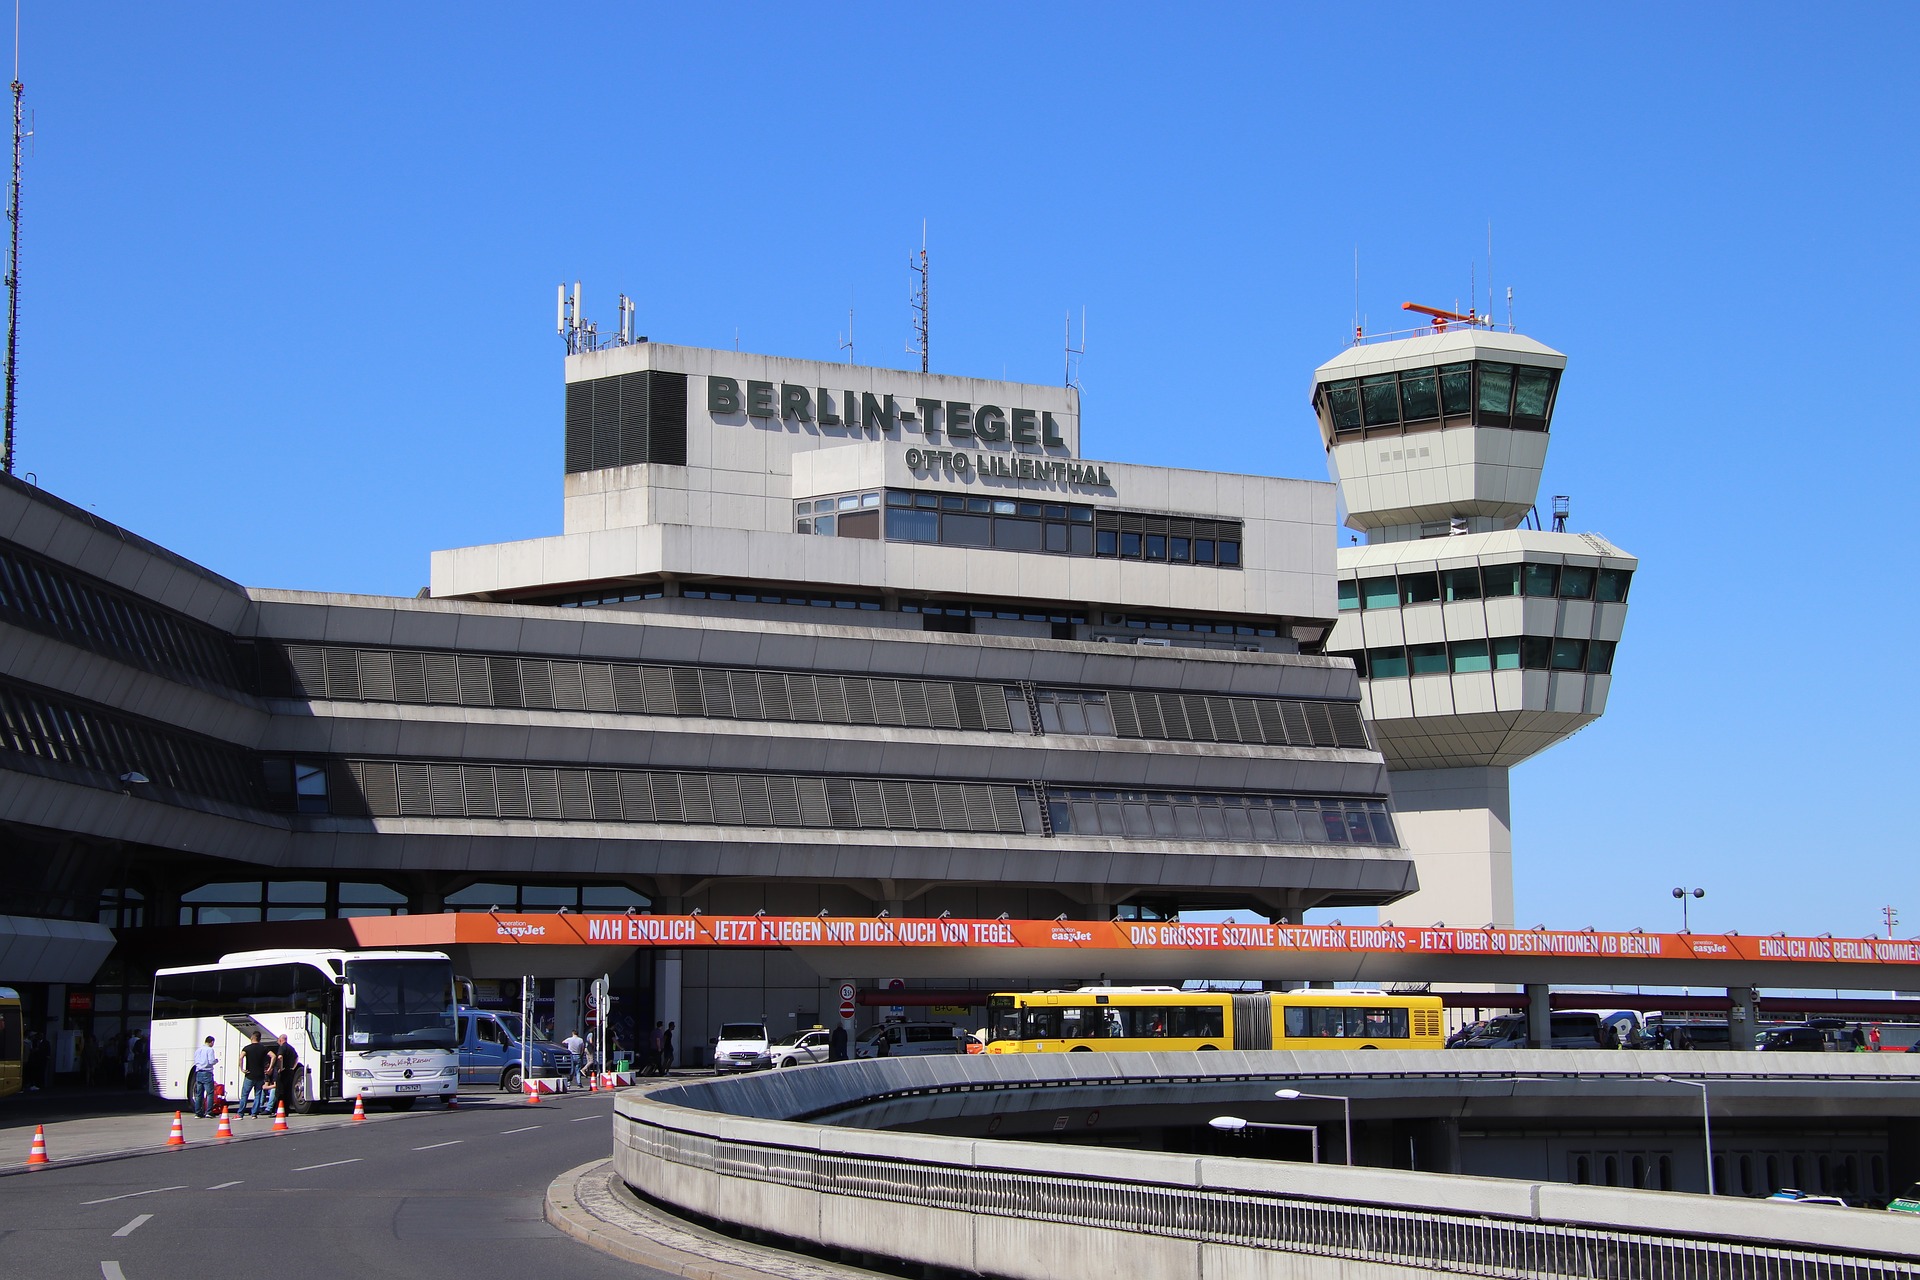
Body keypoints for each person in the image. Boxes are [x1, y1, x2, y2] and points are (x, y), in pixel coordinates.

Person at [239, 1030, 275, 1116]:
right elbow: (273, 1056)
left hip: (249, 1075)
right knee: (258, 1094)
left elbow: (241, 1057)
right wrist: (270, 1068)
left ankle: (240, 1113)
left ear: (252, 1037)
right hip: (260, 1075)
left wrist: (242, 1068)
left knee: (245, 1094)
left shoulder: (247, 1048)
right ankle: (254, 1113)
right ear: (259, 1039)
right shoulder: (263, 1048)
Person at [266, 1033, 299, 1113]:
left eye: (278, 1040)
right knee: (287, 1091)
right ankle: (286, 1110)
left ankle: (278, 1110)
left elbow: (280, 1057)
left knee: (279, 1092)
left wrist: (280, 1068)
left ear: (281, 1040)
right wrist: (293, 1067)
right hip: (290, 1072)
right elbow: (296, 1057)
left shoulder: (282, 1047)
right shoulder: (291, 1048)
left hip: (283, 1072)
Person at [190, 1034, 219, 1117]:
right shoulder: (210, 1050)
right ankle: (209, 1112)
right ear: (211, 1042)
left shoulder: (198, 1050)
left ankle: (198, 1112)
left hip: (199, 1072)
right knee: (210, 1093)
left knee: (199, 1093)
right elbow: (211, 1061)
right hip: (207, 1072)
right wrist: (216, 1061)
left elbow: (196, 1061)